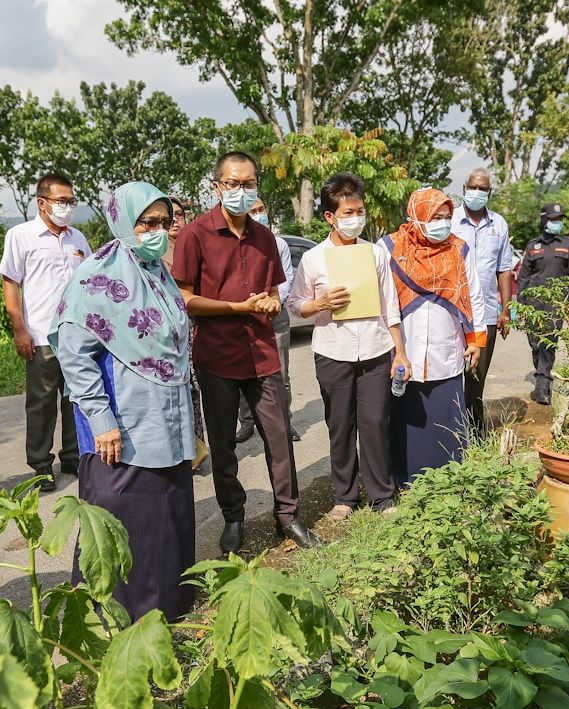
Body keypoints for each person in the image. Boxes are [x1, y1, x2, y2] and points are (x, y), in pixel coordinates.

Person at [52, 182, 196, 622]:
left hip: (166, 420)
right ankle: (118, 616)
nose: (158, 231)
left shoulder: (158, 274)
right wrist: (102, 420)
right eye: (147, 223)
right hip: (124, 424)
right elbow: (74, 355)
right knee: (123, 516)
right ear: (122, 222)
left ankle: (167, 607)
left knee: (165, 514)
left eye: (164, 222)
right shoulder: (96, 279)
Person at [171, 151, 321, 553]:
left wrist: (271, 300)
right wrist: (235, 308)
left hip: (262, 353)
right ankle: (233, 516)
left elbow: (272, 289)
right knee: (223, 446)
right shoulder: (195, 235)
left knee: (279, 438)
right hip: (217, 356)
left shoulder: (265, 237)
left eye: (248, 183)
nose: (241, 190)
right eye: (233, 183)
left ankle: (288, 516)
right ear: (217, 186)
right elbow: (185, 298)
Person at [289, 172, 410, 519]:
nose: (356, 218)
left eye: (360, 211)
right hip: (332, 352)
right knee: (340, 425)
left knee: (375, 423)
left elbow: (390, 307)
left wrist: (400, 352)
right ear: (330, 216)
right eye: (348, 213)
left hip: (375, 350)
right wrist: (319, 304)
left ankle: (382, 496)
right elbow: (295, 304)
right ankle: (345, 497)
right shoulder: (314, 258)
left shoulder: (375, 254)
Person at [380, 188, 486, 486]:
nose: (442, 223)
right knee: (403, 420)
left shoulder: (459, 249)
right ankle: (403, 483)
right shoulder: (389, 247)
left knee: (445, 420)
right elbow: (381, 298)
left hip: (447, 348)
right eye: (435, 217)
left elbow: (474, 296)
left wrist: (476, 340)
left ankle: (448, 484)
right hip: (403, 348)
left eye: (447, 217)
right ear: (416, 216)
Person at [0, 173, 91, 491]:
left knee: (76, 399)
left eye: (71, 201)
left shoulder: (78, 239)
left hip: (76, 335)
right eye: (62, 201)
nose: (68, 207)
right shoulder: (21, 235)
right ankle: (40, 465)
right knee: (42, 403)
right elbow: (10, 282)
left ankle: (73, 457)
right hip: (40, 335)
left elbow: (89, 282)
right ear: (42, 202)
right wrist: (19, 329)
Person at [450, 168, 516, 431]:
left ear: (489, 192)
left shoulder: (499, 224)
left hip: (486, 313)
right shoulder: (449, 220)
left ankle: (474, 432)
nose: (477, 193)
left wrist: (505, 310)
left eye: (483, 189)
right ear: (464, 189)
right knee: (450, 374)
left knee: (476, 377)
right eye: (473, 187)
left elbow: (504, 269)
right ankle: (450, 430)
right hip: (453, 312)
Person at [237, 196, 298, 442]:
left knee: (281, 374)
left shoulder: (278, 243)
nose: (259, 214)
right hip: (246, 316)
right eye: (253, 210)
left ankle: (285, 421)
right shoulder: (235, 245)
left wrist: (274, 302)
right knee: (244, 372)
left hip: (276, 316)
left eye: (261, 209)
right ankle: (247, 422)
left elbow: (287, 278)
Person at [162, 197, 210, 471]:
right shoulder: (155, 252)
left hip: (197, 326)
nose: (175, 220)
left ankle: (196, 451)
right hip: (169, 334)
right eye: (169, 216)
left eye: (179, 214)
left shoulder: (195, 244)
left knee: (195, 393)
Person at [516, 203, 569, 404]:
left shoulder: (567, 245)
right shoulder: (532, 246)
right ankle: (541, 378)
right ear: (544, 220)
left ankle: (543, 387)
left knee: (548, 343)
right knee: (535, 344)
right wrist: (521, 305)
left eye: (559, 219)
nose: (557, 222)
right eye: (554, 219)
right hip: (533, 304)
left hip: (555, 303)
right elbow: (523, 277)